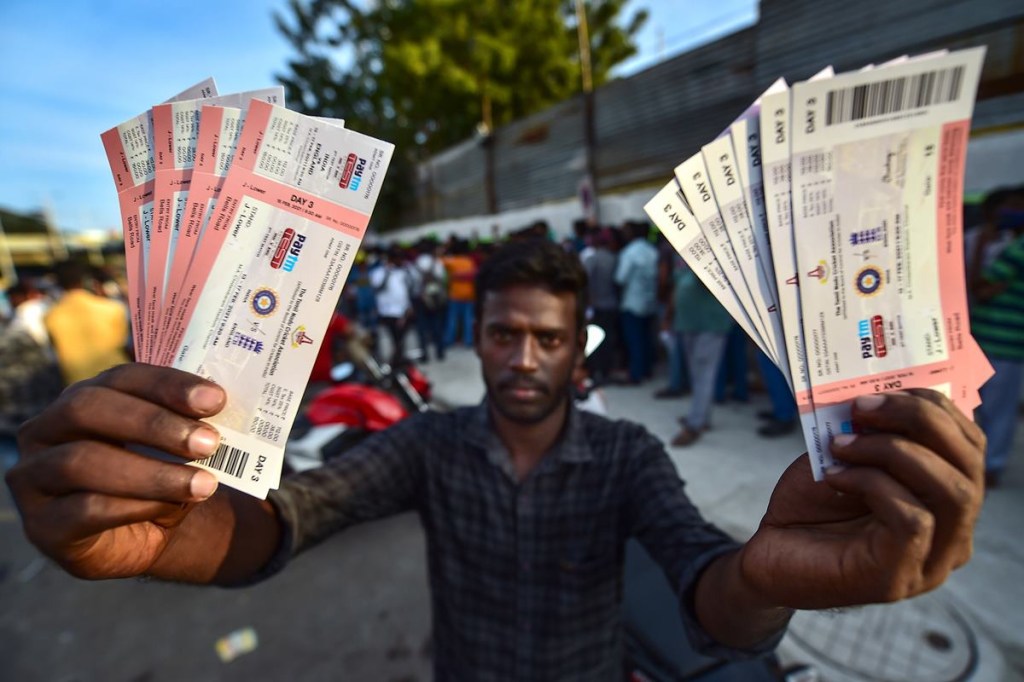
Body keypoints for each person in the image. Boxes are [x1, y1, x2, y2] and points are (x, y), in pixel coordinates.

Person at [6, 240, 985, 681]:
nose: (523, 358)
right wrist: (176, 529)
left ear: (576, 349)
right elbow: (295, 513)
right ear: (478, 340)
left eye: (549, 340)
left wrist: (767, 580)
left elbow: (706, 580)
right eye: (506, 335)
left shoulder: (626, 452)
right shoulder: (430, 443)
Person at [971, 226, 1024, 488]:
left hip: (1001, 341)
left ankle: (990, 466)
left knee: (995, 410)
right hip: (999, 341)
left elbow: (982, 286)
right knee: (994, 409)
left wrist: (982, 247)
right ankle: (987, 464)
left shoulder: (1017, 248)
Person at [44, 260, 130, 385]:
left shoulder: (50, 316)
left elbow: (53, 352)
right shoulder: (112, 308)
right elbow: (122, 343)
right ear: (86, 280)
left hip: (78, 386)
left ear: (58, 283)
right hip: (118, 377)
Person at [614, 221, 659, 384]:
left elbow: (620, 278)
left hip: (632, 302)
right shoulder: (652, 251)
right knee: (646, 338)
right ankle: (646, 370)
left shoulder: (629, 252)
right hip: (649, 301)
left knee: (634, 340)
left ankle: (636, 374)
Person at [369, 245, 414, 367]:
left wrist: (409, 306)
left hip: (403, 312)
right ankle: (393, 363)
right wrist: (387, 272)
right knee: (392, 340)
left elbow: (407, 290)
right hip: (388, 313)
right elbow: (377, 287)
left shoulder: (403, 271)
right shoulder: (379, 272)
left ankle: (399, 361)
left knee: (401, 340)